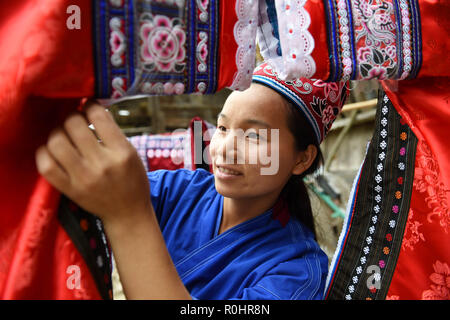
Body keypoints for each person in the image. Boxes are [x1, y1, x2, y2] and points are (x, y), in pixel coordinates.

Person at [35, 63, 348, 300]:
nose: (223, 149)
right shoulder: (179, 191)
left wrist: (127, 217)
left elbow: (126, 206)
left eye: (253, 135)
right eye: (223, 129)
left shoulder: (297, 274)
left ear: (301, 159)